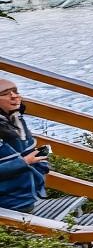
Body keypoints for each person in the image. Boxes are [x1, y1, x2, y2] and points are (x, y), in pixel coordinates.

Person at [0, 78, 50, 214]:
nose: (14, 96)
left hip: (26, 199)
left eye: (15, 92)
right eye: (5, 93)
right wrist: (25, 162)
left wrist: (41, 162)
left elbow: (26, 151)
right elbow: (23, 158)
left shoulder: (16, 120)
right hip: (9, 204)